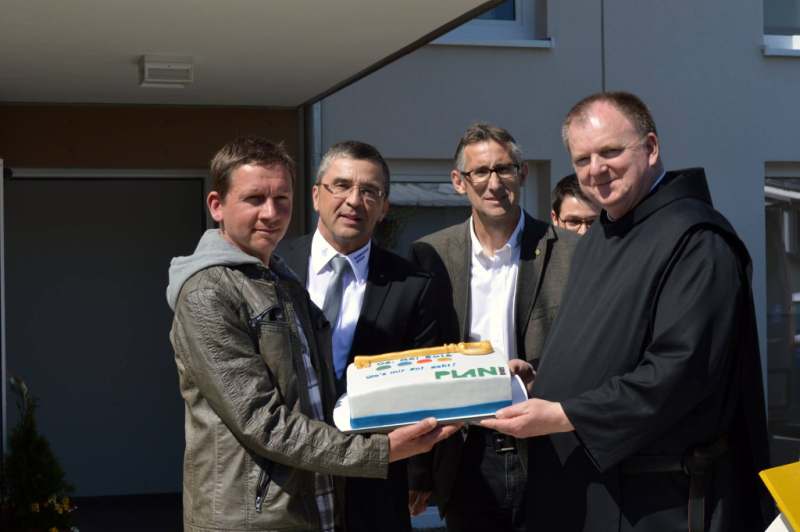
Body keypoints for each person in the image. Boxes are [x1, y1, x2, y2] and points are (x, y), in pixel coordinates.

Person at [481, 92, 773, 531]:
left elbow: (680, 372)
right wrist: (543, 376)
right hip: (588, 490)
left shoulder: (698, 240)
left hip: (655, 501)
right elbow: (609, 346)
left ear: (650, 148)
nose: (595, 169)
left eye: (610, 152)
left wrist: (564, 414)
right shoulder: (602, 235)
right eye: (582, 159)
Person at [166, 136, 460, 532]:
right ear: (217, 205)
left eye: (282, 198)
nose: (271, 213)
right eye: (254, 199)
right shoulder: (208, 293)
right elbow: (263, 423)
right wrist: (383, 450)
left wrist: (485, 378)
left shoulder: (278, 280)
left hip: (312, 505)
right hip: (253, 517)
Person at [406, 123, 580, 532]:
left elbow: (586, 346)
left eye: (504, 169)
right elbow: (419, 354)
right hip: (466, 453)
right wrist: (418, 470)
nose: (494, 182)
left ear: (522, 174)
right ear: (458, 182)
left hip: (550, 448)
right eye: (480, 172)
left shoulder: (572, 251)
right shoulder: (430, 254)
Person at [276, 140, 436, 532]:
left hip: (375, 479)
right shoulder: (273, 266)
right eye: (342, 185)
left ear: (384, 208)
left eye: (370, 191)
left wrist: (419, 473)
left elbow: (425, 383)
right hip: (285, 475)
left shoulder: (413, 284)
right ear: (316, 195)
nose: (354, 200)